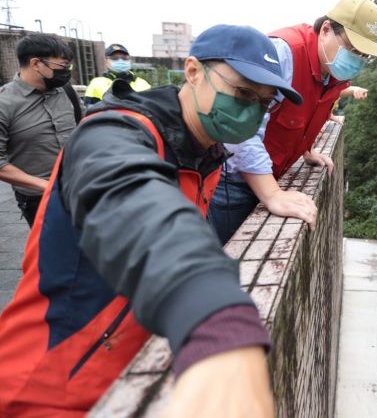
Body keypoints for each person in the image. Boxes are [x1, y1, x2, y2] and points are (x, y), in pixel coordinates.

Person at [0, 25, 302, 417]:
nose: (250, 111)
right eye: (242, 94)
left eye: (263, 104)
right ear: (192, 72)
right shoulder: (113, 134)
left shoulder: (205, 150)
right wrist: (216, 315)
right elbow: (142, 210)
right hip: (51, 388)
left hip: (127, 381)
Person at [207, 0, 377, 243]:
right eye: (352, 49)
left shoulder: (332, 74)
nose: (356, 59)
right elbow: (238, 129)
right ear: (325, 30)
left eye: (363, 55)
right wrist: (272, 194)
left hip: (271, 173)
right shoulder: (283, 54)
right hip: (233, 183)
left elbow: (306, 110)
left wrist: (306, 149)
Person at [0, 34, 81, 226]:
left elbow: (82, 128)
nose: (66, 72)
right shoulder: (4, 103)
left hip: (78, 187)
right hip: (39, 199)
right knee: (53, 252)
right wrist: (46, 186)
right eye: (62, 66)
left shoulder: (66, 92)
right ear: (36, 64)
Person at [84, 43, 151, 105]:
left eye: (124, 58)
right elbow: (89, 110)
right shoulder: (97, 83)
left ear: (130, 61)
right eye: (115, 58)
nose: (120, 61)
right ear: (106, 62)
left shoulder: (143, 84)